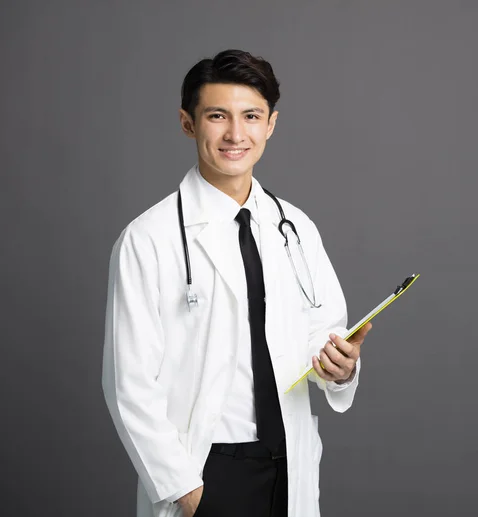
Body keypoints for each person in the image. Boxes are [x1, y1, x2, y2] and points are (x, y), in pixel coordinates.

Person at [102, 49, 372, 517]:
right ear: (188, 123)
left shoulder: (296, 228)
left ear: (270, 124)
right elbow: (128, 385)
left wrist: (340, 367)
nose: (235, 134)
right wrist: (185, 491)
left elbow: (322, 333)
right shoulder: (148, 239)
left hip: (288, 465)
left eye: (251, 116)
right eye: (217, 116)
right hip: (205, 472)